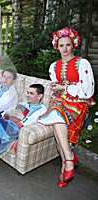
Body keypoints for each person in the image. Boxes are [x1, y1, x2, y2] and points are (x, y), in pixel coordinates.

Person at [37, 27, 95, 188]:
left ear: (73, 45)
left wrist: (65, 88)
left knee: (56, 116)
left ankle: (67, 162)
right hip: (60, 102)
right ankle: (67, 160)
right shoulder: (53, 66)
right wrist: (56, 86)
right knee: (57, 119)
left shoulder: (82, 63)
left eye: (68, 45)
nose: (65, 49)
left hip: (78, 103)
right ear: (57, 46)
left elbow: (88, 91)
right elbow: (57, 86)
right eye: (61, 45)